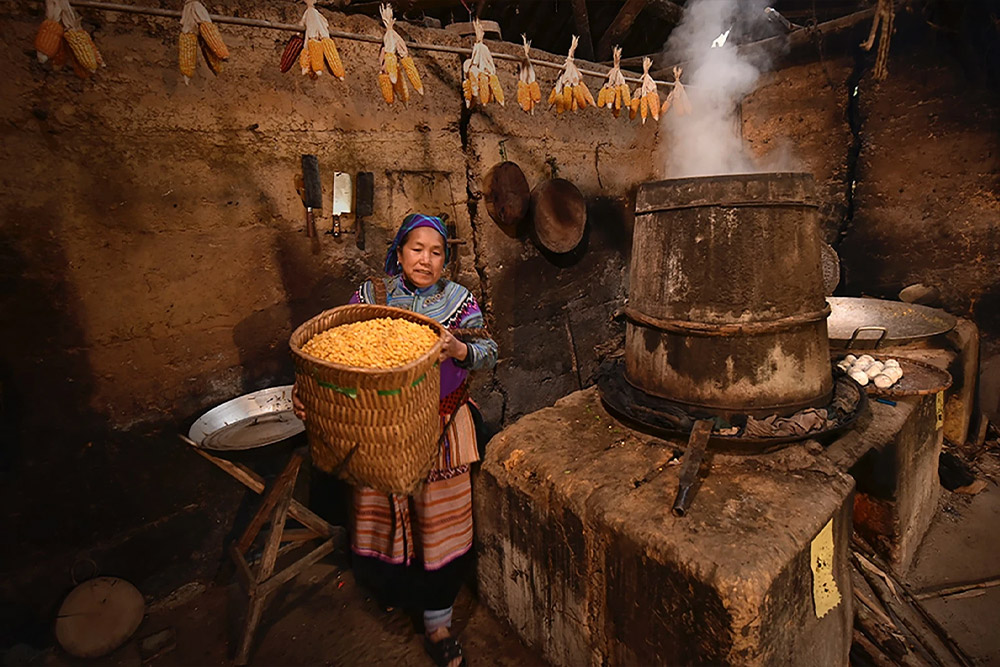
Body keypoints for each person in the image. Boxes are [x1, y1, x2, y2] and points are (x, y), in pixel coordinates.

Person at [293, 213, 498, 667]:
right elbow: (330, 357)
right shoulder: (372, 298)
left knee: (438, 526)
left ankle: (438, 620)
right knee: (382, 518)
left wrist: (458, 349)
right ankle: (395, 591)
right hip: (376, 433)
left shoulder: (459, 303)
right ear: (400, 252)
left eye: (437, 252)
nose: (426, 260)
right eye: (417, 249)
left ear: (447, 259)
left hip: (441, 428)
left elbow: (488, 352)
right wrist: (307, 393)